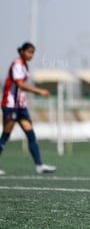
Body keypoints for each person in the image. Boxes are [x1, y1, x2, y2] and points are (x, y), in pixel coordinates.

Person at [0, 42, 57, 175]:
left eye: (33, 52)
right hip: (10, 104)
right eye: (29, 52)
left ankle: (39, 165)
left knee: (30, 134)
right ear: (22, 51)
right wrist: (39, 91)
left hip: (20, 106)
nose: (31, 55)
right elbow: (20, 85)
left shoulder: (24, 65)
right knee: (6, 135)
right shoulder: (17, 64)